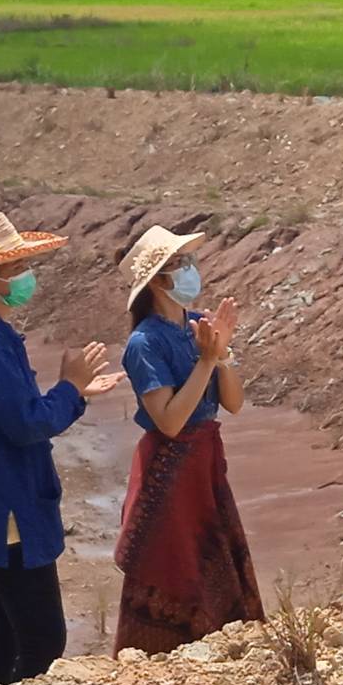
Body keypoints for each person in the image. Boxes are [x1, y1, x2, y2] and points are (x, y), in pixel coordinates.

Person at [0, 212, 119, 683]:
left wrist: (73, 393)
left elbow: (10, 410)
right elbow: (27, 423)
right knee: (43, 639)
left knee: (6, 633)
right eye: (17, 271)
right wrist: (70, 387)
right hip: (8, 508)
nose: (27, 279)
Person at [113, 225, 265, 653]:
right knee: (173, 562)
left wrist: (223, 354)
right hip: (170, 469)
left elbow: (232, 402)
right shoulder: (144, 343)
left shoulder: (197, 324)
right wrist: (206, 361)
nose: (191, 271)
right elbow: (169, 422)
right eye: (180, 264)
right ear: (158, 279)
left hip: (204, 461)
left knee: (212, 555)